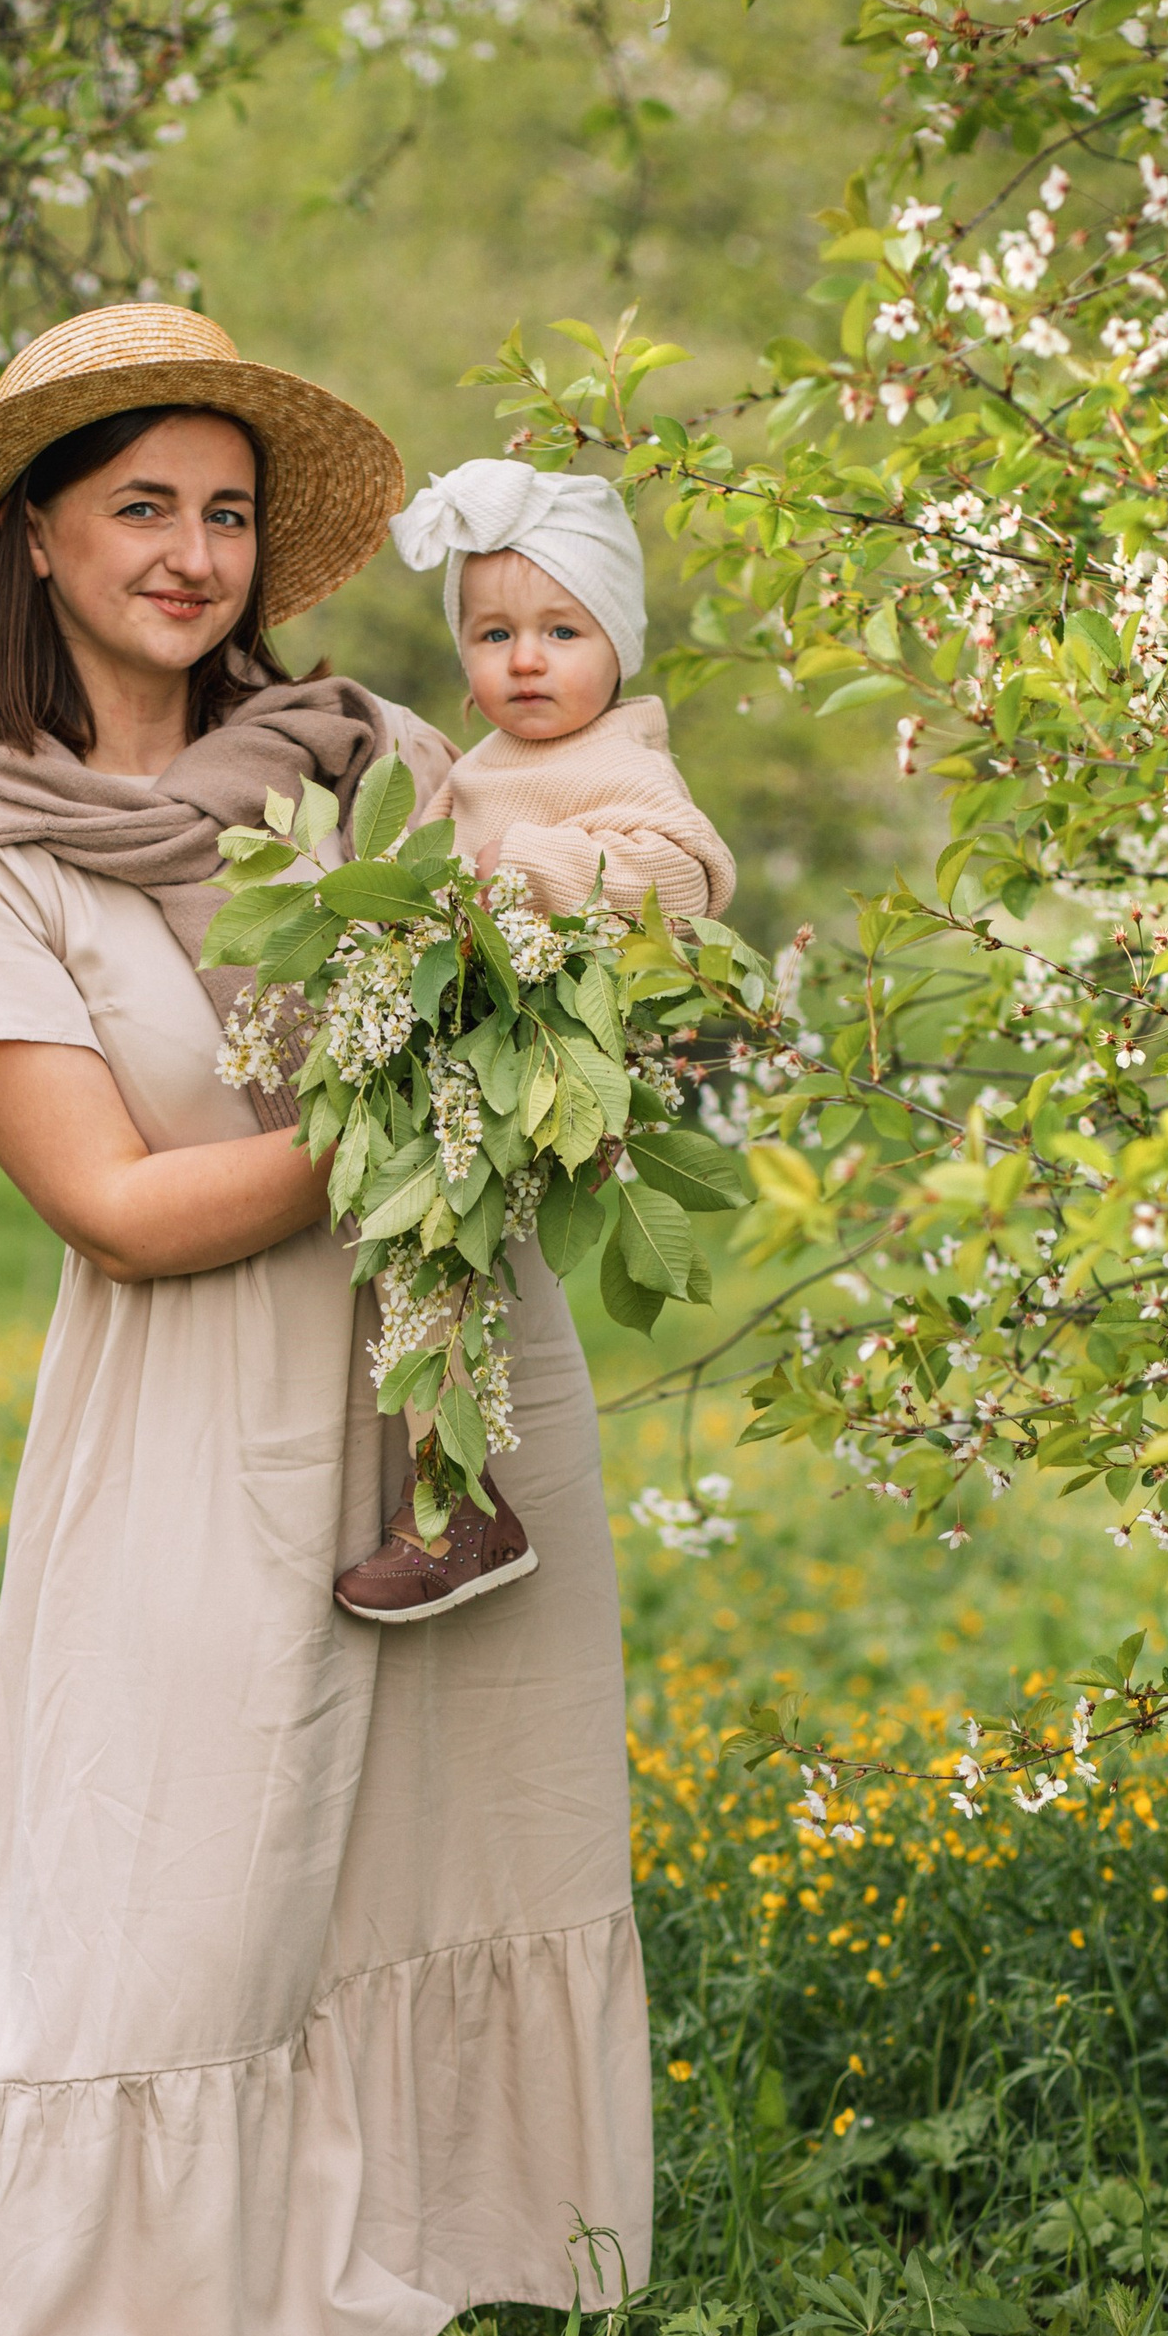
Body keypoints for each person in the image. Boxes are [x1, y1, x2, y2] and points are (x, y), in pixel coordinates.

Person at [0, 307, 652, 2336]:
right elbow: (116, 1209)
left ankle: (346, 2306)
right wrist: (414, 1093)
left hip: (440, 1399)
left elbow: (585, 851)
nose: (193, 553)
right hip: (197, 1416)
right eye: (142, 506)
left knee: (437, 1833)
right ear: (34, 528)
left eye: (225, 512)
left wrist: (601, 1007)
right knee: (160, 1901)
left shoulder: (360, 754)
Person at [330, 459, 736, 1632]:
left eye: (561, 629)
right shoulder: (481, 766)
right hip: (470, 1054)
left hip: (541, 1068)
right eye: (492, 631)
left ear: (617, 645)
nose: (524, 659)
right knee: (420, 1263)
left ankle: (455, 1504)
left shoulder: (618, 759)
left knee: (440, 1257)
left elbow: (684, 873)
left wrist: (523, 874)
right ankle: (450, 1494)